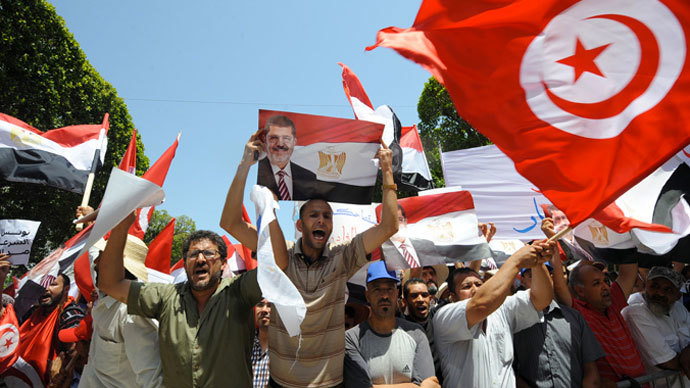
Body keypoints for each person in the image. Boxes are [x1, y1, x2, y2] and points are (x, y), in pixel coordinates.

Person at [221, 132, 399, 387]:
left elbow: (389, 227)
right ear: (299, 224)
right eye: (314, 215)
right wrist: (244, 165)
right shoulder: (279, 253)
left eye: (327, 216)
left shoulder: (343, 257)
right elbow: (230, 222)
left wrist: (387, 171)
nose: (321, 220)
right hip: (281, 383)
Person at [98, 212, 285, 388]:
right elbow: (110, 284)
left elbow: (280, 262)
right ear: (186, 263)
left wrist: (269, 207)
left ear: (224, 264)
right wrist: (121, 227)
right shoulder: (166, 296)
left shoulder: (239, 292)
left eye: (209, 253)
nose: (201, 259)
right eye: (193, 254)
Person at [433, 241, 555, 387]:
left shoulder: (502, 309)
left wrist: (538, 263)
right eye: (466, 286)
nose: (475, 290)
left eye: (479, 284)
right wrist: (516, 260)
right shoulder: (444, 316)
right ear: (451, 296)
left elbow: (542, 299)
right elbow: (480, 305)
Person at [513, 244, 604, 388]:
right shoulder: (512, 321)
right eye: (532, 275)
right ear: (522, 281)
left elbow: (591, 369)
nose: (539, 279)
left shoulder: (574, 318)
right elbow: (509, 372)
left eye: (545, 274)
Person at [79, 238, 164, 388]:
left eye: (102, 256)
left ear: (120, 266)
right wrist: (93, 223)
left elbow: (152, 378)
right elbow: (92, 254)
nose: (96, 262)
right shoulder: (105, 293)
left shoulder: (133, 313)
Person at [344, 261, 439, 388]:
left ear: (397, 293)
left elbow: (430, 385)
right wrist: (414, 386)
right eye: (377, 289)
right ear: (367, 296)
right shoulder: (352, 338)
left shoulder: (416, 333)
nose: (384, 295)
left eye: (389, 288)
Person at [560, 261, 646, 385]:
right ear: (580, 291)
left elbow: (629, 268)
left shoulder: (614, 302)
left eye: (606, 281)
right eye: (596, 283)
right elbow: (559, 288)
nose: (605, 286)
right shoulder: (578, 313)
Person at [622, 266, 690, 387]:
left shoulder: (679, 309)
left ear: (678, 296)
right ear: (646, 285)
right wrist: (685, 360)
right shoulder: (635, 313)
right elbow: (667, 362)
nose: (660, 293)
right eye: (655, 286)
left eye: (668, 289)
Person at [15, 272, 84, 386]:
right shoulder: (32, 314)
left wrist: (62, 372)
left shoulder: (70, 314)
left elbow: (76, 354)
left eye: (53, 284)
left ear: (66, 289)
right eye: (43, 284)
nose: (46, 288)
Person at [256, 115, 316, 200]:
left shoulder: (309, 177)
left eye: (286, 138)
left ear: (294, 142)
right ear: (264, 140)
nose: (280, 144)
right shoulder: (255, 172)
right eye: (274, 138)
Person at [400, 278, 443, 386]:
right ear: (405, 301)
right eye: (414, 296)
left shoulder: (438, 319)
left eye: (424, 295)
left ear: (430, 298)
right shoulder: (399, 326)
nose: (420, 299)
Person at [381, 205, 445, 269]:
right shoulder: (385, 254)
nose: (396, 225)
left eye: (399, 220)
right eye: (391, 222)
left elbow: (439, 266)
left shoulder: (427, 245)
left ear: (405, 222)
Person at [252, 299, 271, 388]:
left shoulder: (285, 350)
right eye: (260, 305)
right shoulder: (244, 346)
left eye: (270, 306)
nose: (264, 310)